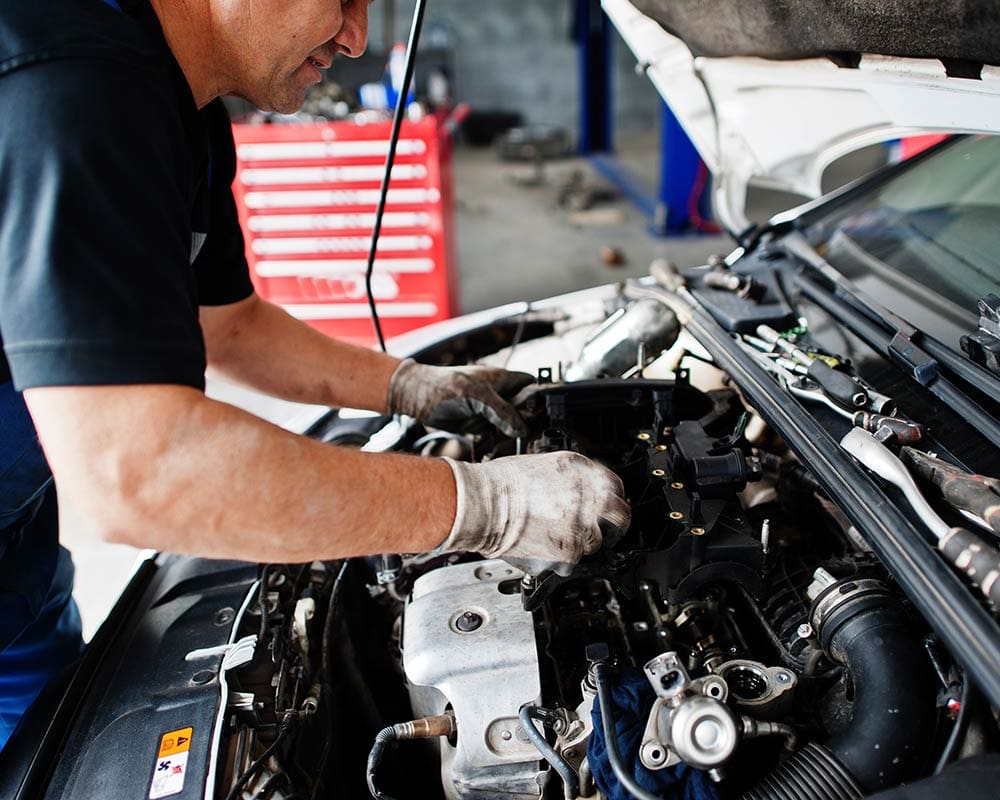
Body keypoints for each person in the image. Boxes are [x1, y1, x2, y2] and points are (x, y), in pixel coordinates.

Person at [0, 0, 630, 750]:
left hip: (18, 554)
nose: (358, 36)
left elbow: (227, 324)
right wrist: (487, 506)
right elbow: (135, 471)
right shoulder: (75, 85)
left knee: (42, 752)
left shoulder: (183, 102)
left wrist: (410, 385)